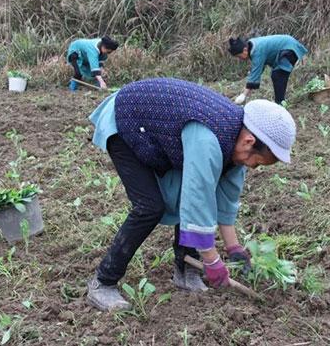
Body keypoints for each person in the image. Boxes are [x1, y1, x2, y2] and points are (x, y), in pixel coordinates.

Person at [86, 77, 297, 311]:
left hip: (162, 128)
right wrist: (212, 260)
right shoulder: (208, 140)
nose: (250, 167)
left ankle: (186, 271)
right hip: (128, 120)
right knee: (150, 206)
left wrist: (234, 247)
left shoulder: (237, 140)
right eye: (256, 162)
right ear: (250, 141)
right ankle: (103, 282)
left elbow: (225, 199)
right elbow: (197, 201)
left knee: (180, 194)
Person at [229, 34, 308, 105]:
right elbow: (257, 70)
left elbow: (255, 73)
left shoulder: (257, 51)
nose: (240, 59)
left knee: (278, 75)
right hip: (287, 45)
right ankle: (280, 101)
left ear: (245, 50)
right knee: (277, 75)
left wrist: (243, 95)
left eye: (239, 56)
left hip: (289, 47)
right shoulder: (251, 45)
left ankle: (280, 103)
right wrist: (246, 91)